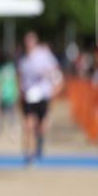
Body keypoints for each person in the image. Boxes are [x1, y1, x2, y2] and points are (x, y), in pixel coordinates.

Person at [17, 32, 62, 164]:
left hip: (43, 95)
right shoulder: (23, 59)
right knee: (28, 126)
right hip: (29, 97)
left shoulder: (44, 55)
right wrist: (21, 93)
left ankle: (39, 140)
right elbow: (20, 77)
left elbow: (55, 71)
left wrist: (54, 84)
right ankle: (28, 155)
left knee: (41, 127)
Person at [0, 53, 19, 139]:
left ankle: (13, 131)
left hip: (10, 96)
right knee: (0, 115)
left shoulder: (11, 68)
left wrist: (16, 94)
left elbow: (15, 81)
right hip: (1, 96)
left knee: (11, 115)